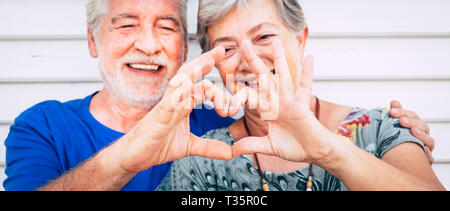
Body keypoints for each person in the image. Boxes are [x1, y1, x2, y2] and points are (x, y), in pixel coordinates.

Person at [2, 0, 435, 191]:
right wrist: (132, 154)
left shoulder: (217, 122)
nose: (149, 45)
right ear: (93, 41)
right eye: (126, 23)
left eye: (167, 26)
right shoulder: (42, 127)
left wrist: (361, 143)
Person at [156, 0, 444, 191]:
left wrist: (326, 150)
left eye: (264, 37)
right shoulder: (201, 158)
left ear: (300, 40)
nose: (248, 59)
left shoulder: (383, 128)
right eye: (227, 48)